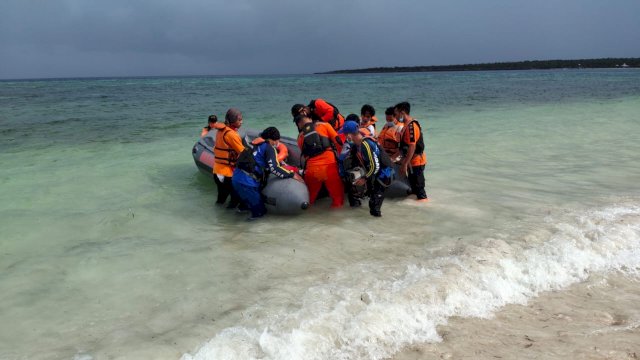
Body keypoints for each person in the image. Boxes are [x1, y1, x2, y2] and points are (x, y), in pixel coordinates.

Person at [232, 127, 303, 220]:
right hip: (247, 183)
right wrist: (291, 174)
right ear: (270, 139)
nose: (277, 143)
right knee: (259, 213)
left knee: (243, 207)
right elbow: (274, 168)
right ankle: (245, 232)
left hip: (236, 179)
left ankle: (233, 223)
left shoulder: (253, 143)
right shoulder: (269, 148)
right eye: (276, 141)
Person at [341, 123, 395, 217]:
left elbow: (375, 166)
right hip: (376, 174)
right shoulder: (358, 145)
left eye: (345, 134)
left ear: (349, 135)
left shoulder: (365, 144)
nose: (345, 137)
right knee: (370, 200)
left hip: (384, 175)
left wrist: (364, 179)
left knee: (374, 206)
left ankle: (377, 227)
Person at [294, 114, 344, 208]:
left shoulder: (300, 137)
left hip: (312, 170)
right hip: (330, 167)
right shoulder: (324, 125)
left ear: (299, 125)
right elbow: (338, 142)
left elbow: (305, 155)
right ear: (310, 118)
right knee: (337, 200)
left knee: (310, 199)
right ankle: (337, 219)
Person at [213, 108, 246, 208]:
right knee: (235, 199)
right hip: (228, 173)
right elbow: (243, 153)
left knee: (221, 198)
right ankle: (230, 222)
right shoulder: (232, 134)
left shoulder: (221, 131)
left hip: (217, 171)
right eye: (239, 120)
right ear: (233, 120)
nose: (242, 122)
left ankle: (218, 218)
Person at [395, 102, 428, 201]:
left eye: (396, 113)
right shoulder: (405, 125)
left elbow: (412, 147)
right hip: (410, 163)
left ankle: (423, 210)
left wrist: (404, 164)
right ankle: (412, 210)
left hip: (416, 162)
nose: (395, 116)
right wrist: (391, 158)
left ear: (402, 112)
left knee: (420, 192)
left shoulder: (411, 126)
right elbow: (403, 147)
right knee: (413, 188)